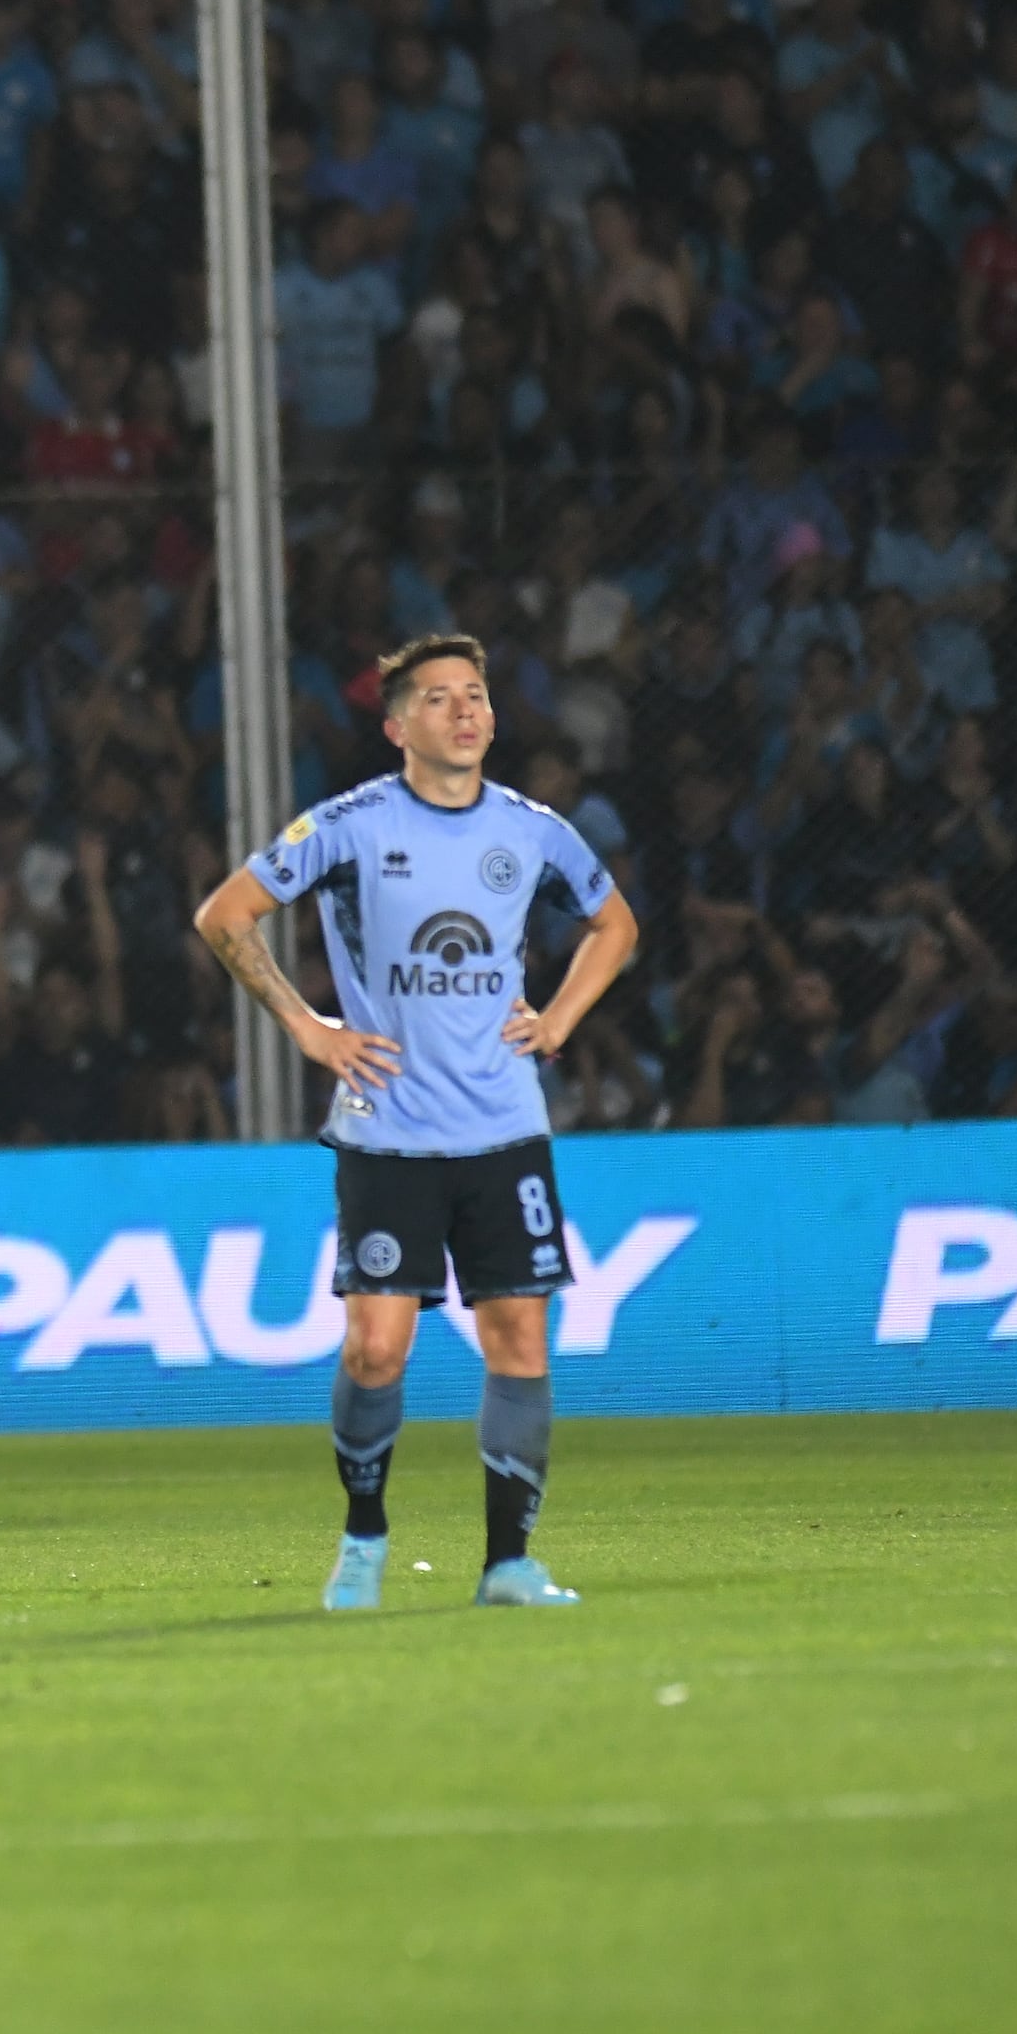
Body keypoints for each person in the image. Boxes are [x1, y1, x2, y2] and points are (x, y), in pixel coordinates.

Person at [194, 632, 643, 1611]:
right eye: (437, 699)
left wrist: (558, 1018)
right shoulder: (346, 826)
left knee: (518, 1341)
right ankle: (362, 1537)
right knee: (374, 1351)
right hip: (387, 1131)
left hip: (503, 1129)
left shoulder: (529, 830)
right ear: (396, 727)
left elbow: (615, 925)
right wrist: (306, 1027)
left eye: (474, 694)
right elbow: (225, 914)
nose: (463, 711)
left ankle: (507, 1562)